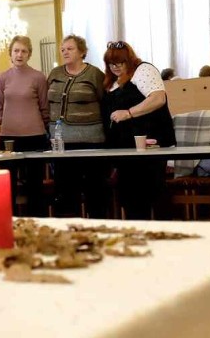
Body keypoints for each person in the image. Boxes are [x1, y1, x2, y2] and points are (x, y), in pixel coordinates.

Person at [102, 40, 175, 219]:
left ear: (129, 59)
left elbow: (158, 99)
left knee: (153, 191)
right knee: (130, 196)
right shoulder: (111, 82)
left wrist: (128, 113)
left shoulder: (143, 70)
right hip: (124, 149)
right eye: (111, 63)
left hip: (148, 144)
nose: (115, 67)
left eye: (120, 62)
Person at [46, 35, 107, 217]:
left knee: (94, 191)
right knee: (65, 191)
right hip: (61, 143)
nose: (65, 52)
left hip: (91, 142)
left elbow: (105, 103)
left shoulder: (94, 74)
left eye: (70, 48)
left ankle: (98, 229)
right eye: (62, 49)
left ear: (82, 52)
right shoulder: (55, 73)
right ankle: (69, 232)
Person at [0, 35, 49, 216]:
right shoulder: (3, 77)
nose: (19, 54)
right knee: (7, 182)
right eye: (16, 50)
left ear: (29, 54)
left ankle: (39, 222)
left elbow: (44, 107)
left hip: (35, 136)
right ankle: (9, 222)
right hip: (9, 137)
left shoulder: (39, 77)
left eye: (24, 51)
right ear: (10, 53)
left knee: (35, 184)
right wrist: (6, 120)